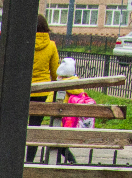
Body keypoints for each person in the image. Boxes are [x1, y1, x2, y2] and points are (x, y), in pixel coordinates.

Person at [24, 14, 59, 163]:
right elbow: (55, 72)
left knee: (19, 125)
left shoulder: (25, 43)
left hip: (24, 90)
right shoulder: (51, 46)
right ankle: (30, 160)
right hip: (42, 91)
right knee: (35, 126)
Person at [52, 58, 86, 165]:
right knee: (60, 144)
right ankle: (70, 161)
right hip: (71, 121)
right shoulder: (77, 86)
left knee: (58, 144)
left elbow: (49, 101)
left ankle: (71, 161)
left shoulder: (61, 86)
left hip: (62, 121)